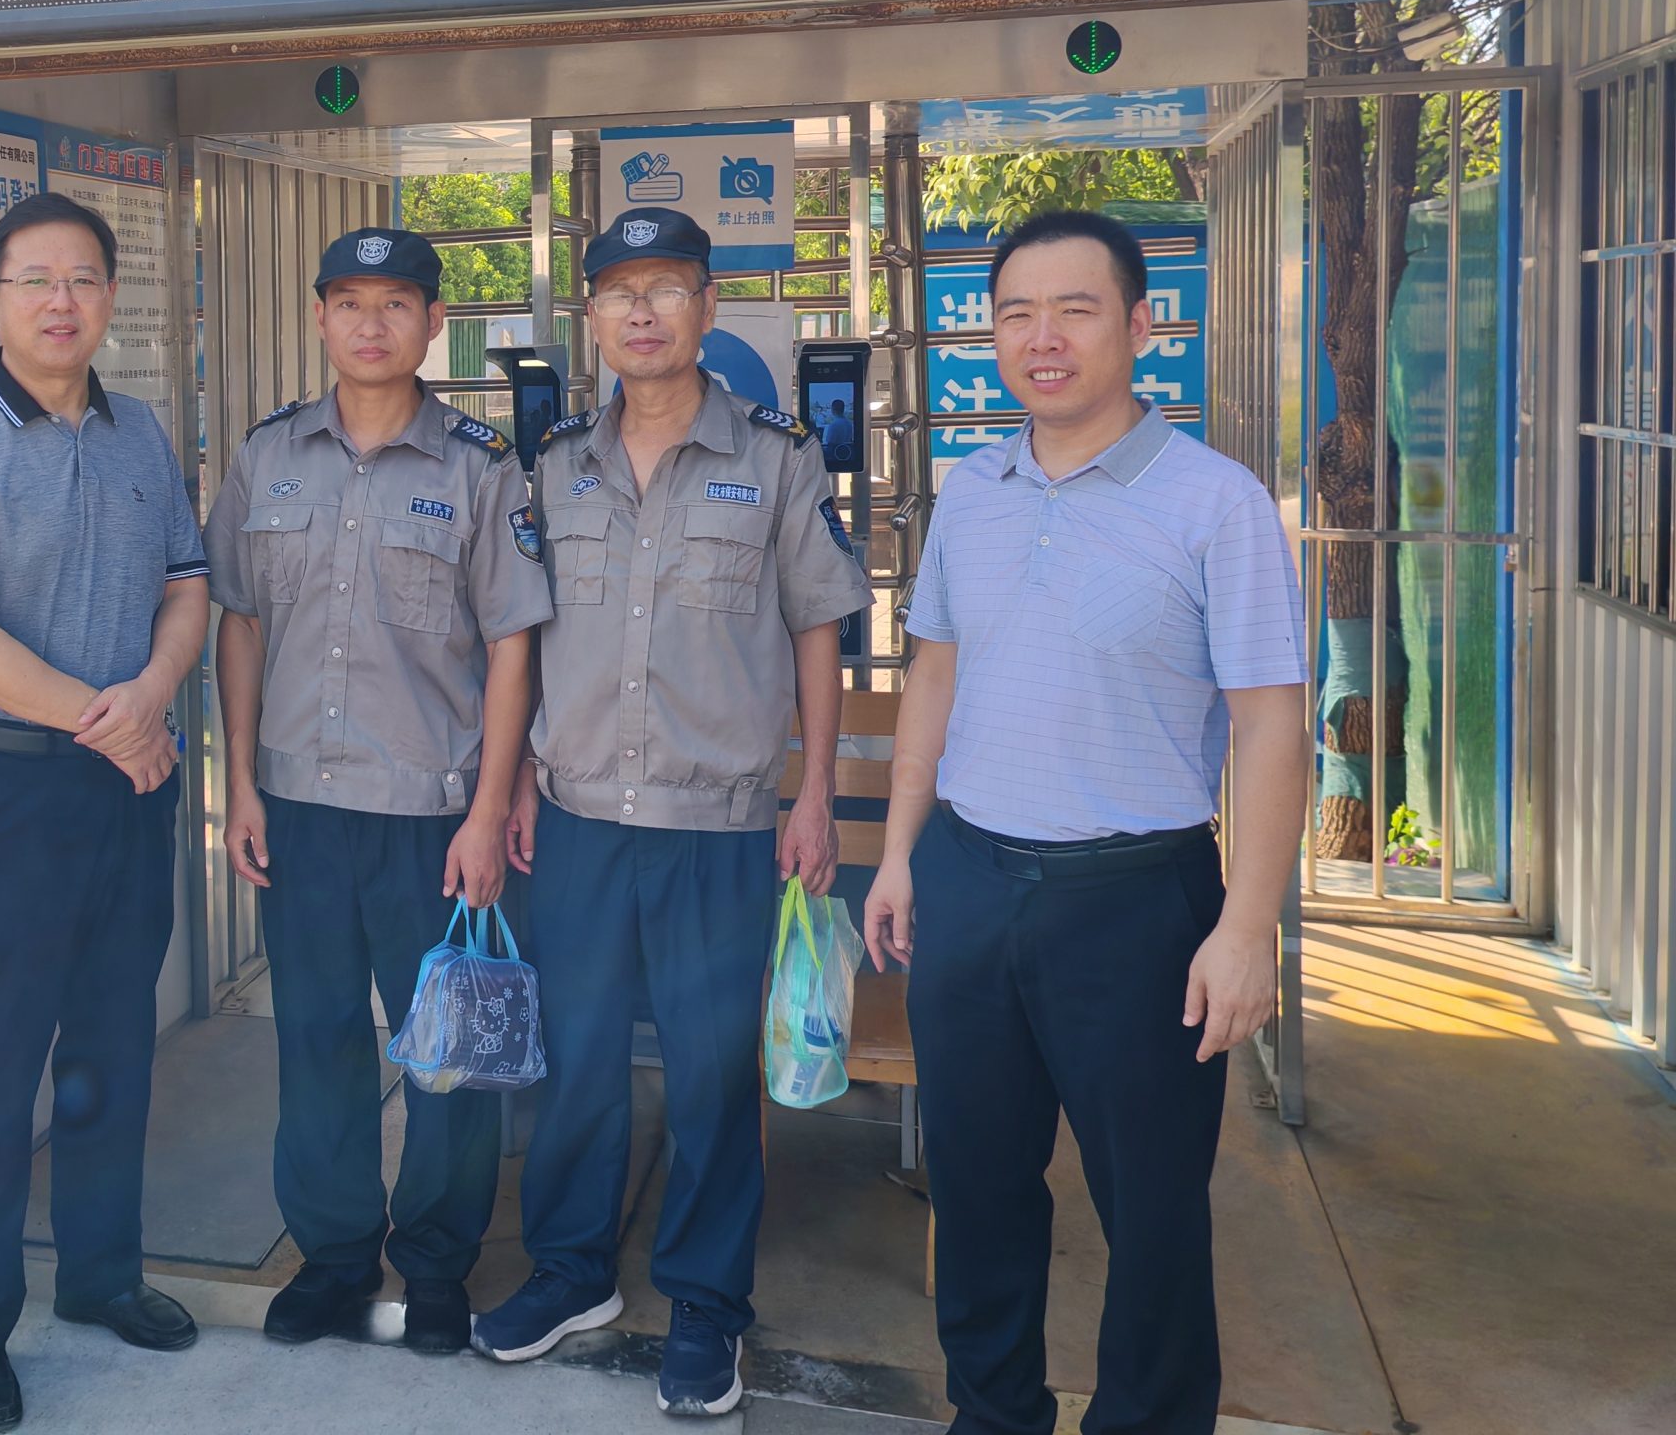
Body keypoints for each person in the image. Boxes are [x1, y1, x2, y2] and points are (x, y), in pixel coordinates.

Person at [862, 210, 1307, 1435]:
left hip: (1136, 904)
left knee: (1151, 1213)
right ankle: (991, 1412)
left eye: (1074, 309)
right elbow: (934, 676)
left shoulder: (1214, 503)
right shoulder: (972, 491)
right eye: (1015, 313)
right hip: (969, 882)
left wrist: (1246, 928)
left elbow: (1271, 725)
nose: (1040, 338)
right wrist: (899, 855)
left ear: (1140, 325)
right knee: (977, 1186)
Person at [472, 207, 873, 1417]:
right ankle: (572, 1272)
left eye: (665, 289)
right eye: (618, 292)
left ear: (706, 307)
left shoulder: (777, 457)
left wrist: (813, 791)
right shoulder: (553, 465)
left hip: (719, 821)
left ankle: (704, 1305)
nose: (640, 312)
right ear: (591, 317)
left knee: (707, 1077)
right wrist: (517, 779)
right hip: (579, 817)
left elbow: (818, 627)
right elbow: (526, 638)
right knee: (577, 1063)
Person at [0, 191, 212, 1433]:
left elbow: (188, 586)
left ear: (110, 297)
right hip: (4, 787)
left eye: (82, 280)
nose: (60, 302)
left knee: (113, 1041)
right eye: (35, 281)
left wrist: (154, 694)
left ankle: (100, 1275)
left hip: (129, 780)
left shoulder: (140, 433)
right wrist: (111, 720)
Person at [204, 228, 553, 1355]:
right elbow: (239, 624)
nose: (370, 323)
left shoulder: (480, 467)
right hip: (297, 808)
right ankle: (335, 1256)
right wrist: (241, 783)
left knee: (444, 1050)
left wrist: (488, 812)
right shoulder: (267, 456)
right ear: (319, 318)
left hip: (431, 818)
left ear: (433, 323)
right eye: (348, 302)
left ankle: (438, 1263)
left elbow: (512, 645)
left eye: (395, 303)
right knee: (316, 1041)